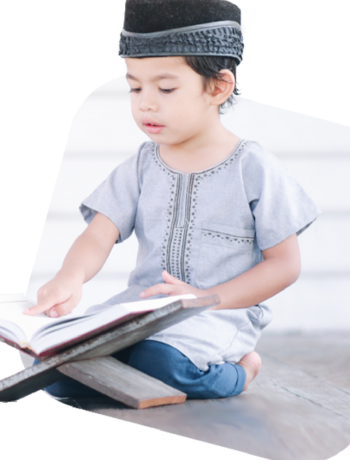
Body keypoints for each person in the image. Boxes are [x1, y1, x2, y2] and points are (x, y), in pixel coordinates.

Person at [25, 0, 321, 400]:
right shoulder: (143, 164)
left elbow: (285, 265)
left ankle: (242, 369)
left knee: (161, 364)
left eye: (165, 88)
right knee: (58, 371)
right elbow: (99, 235)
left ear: (218, 87)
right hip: (140, 311)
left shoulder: (253, 167)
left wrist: (207, 299)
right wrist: (70, 277)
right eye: (135, 87)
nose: (145, 102)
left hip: (216, 313)